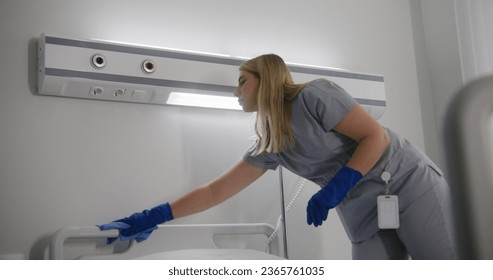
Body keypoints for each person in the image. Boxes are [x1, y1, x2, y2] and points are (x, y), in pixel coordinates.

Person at [99, 54, 457, 259]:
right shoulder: (271, 143)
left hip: (407, 185)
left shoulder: (315, 95)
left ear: (266, 76)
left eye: (242, 80)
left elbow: (374, 136)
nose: (235, 89)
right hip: (362, 212)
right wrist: (153, 217)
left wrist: (334, 188)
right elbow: (214, 192)